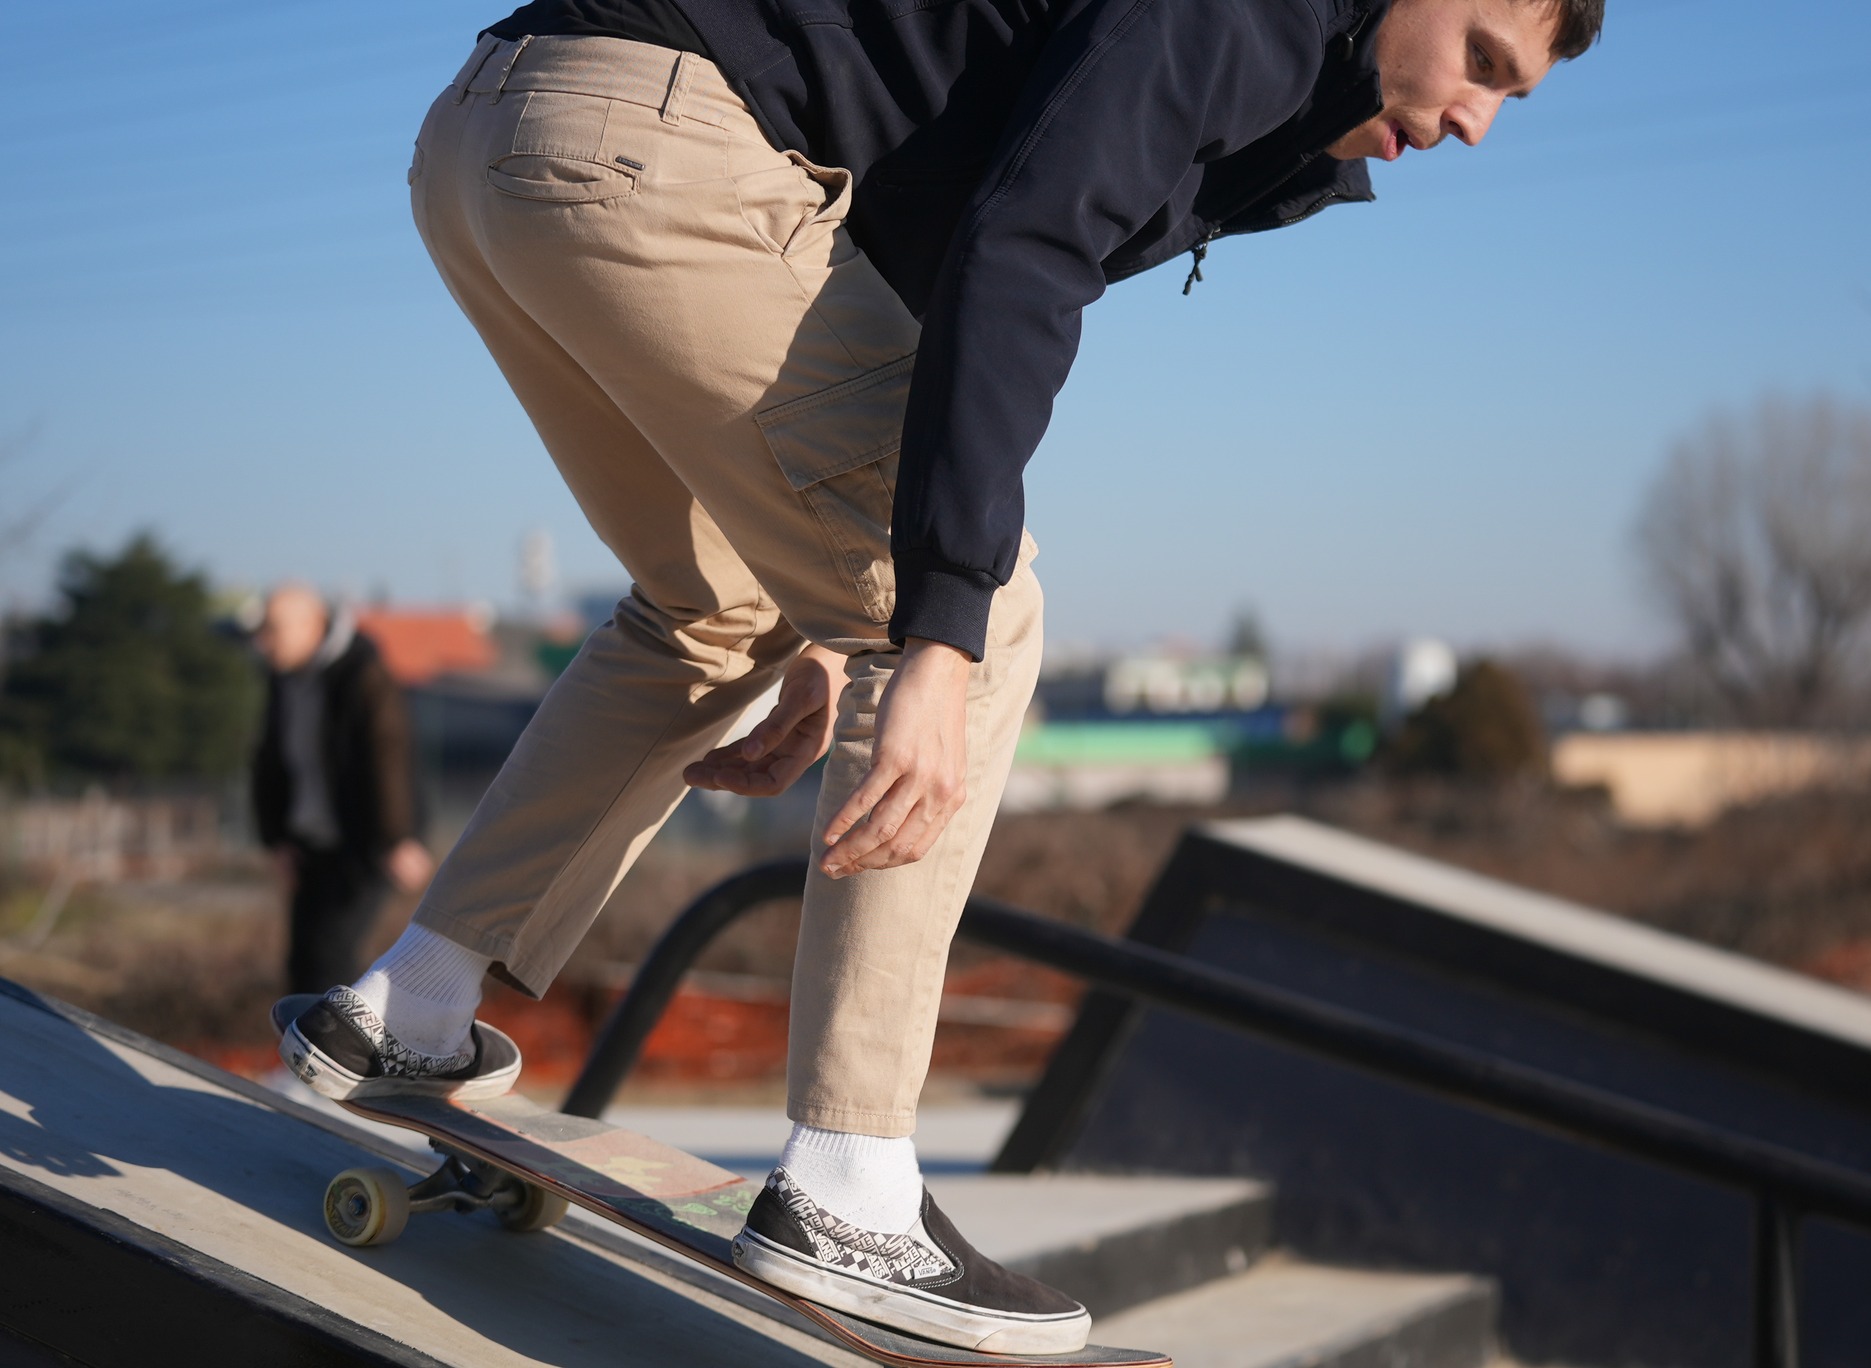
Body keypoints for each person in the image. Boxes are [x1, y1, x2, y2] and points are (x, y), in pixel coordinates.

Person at [275, 0, 1602, 1351]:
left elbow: (900, 269)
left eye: (1515, 97)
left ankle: (411, 1008)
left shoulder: (1284, 89)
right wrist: (931, 622)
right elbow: (1022, 250)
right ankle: (847, 1184)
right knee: (989, 617)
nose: (1474, 120)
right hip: (653, 150)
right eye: (1482, 58)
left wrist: (829, 608)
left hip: (497, 138)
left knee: (712, 606)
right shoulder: (1248, 15)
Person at [253, 585, 436, 996]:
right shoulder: (282, 679)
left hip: (364, 843)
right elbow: (269, 758)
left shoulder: (362, 672)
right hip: (309, 844)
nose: (262, 641)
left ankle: (334, 1057)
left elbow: (388, 750)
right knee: (302, 960)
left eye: (273, 629)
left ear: (311, 626)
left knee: (332, 956)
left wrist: (398, 837)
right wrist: (276, 838)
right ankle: (297, 1056)